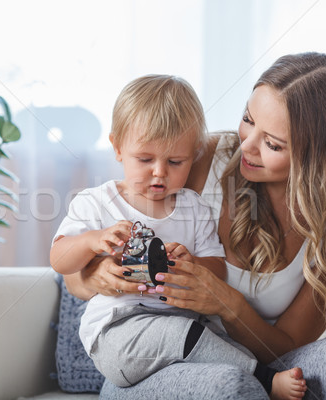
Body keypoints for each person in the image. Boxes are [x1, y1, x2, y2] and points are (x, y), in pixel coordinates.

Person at [64, 53, 326, 399]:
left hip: (260, 364)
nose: (247, 144)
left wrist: (226, 304)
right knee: (231, 385)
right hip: (151, 363)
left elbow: (282, 350)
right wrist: (99, 275)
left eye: (272, 144)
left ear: (321, 156)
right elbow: (76, 269)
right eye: (248, 119)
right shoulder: (200, 159)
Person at [51, 74, 307, 399]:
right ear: (117, 148)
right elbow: (59, 259)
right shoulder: (98, 202)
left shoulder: (193, 207)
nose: (159, 172)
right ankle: (265, 380)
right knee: (183, 333)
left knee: (209, 335)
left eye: (175, 162)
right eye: (145, 159)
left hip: (185, 332)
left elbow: (218, 267)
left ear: (195, 154)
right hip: (119, 331)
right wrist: (91, 242)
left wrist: (194, 263)